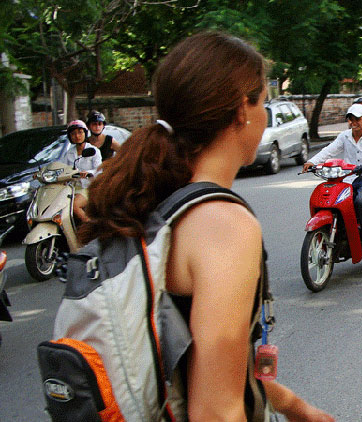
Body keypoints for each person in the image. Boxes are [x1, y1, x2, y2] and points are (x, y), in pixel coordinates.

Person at [79, 32, 334, 422]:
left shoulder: (155, 196)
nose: (265, 114)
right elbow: (216, 409)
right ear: (241, 111)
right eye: (263, 101)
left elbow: (194, 363)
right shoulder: (222, 224)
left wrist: (294, 407)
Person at [303, 104, 362, 251]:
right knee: (336, 201)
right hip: (348, 177)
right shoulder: (344, 136)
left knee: (360, 200)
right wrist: (312, 162)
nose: (354, 122)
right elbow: (329, 150)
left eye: (357, 119)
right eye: (351, 119)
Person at [60, 119, 102, 223]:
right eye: (73, 133)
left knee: (75, 206)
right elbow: (62, 168)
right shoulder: (69, 153)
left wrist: (88, 173)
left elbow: (99, 170)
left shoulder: (94, 151)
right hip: (71, 189)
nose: (77, 136)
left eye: (80, 132)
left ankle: (91, 226)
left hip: (88, 187)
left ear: (85, 133)